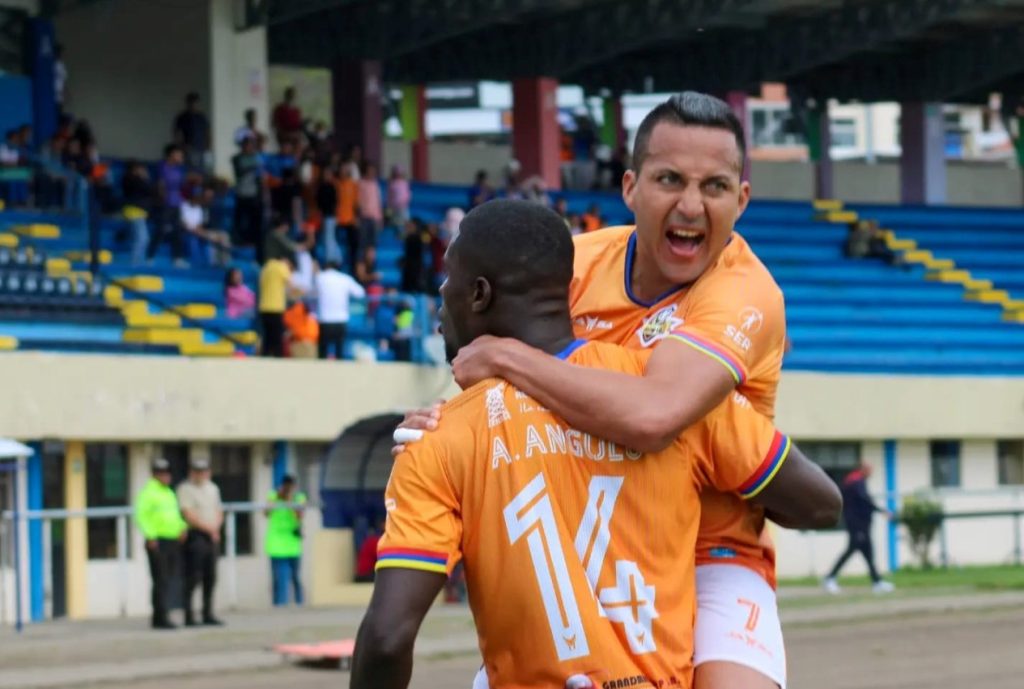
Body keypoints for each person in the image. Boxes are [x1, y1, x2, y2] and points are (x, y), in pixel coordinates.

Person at [351, 201, 839, 689]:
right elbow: (819, 505)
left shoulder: (438, 438)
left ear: (478, 294)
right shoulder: (675, 401)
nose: (439, 295)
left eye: (447, 279)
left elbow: (389, 637)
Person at [407, 92, 793, 689]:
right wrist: (442, 425)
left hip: (712, 554)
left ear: (740, 200)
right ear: (631, 187)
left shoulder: (746, 295)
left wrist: (509, 356)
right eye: (669, 180)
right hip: (587, 543)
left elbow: (654, 416)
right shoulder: (575, 262)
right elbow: (488, 386)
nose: (690, 205)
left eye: (714, 186)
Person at [823, 463, 895, 594]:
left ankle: (877, 582)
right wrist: (882, 511)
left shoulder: (857, 481)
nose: (871, 473)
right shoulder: (855, 481)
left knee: (868, 552)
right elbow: (864, 499)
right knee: (853, 549)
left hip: (862, 523)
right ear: (863, 470)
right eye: (869, 470)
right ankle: (830, 578)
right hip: (857, 524)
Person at [134, 458, 187, 630]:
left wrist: (182, 528)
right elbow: (142, 516)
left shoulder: (169, 493)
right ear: (155, 475)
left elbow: (174, 515)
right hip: (157, 541)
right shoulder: (148, 493)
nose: (166, 477)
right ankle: (160, 617)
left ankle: (163, 615)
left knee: (169, 579)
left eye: (167, 474)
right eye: (162, 474)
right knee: (160, 579)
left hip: (172, 539)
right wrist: (151, 536)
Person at [176, 457, 225, 627]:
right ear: (192, 473)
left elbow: (219, 510)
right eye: (197, 471)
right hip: (195, 536)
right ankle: (189, 615)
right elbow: (188, 514)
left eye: (203, 471)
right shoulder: (185, 489)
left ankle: (208, 613)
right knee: (193, 577)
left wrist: (216, 528)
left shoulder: (213, 488)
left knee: (210, 576)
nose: (201, 475)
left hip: (212, 536)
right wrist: (210, 529)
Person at [265, 475, 307, 606]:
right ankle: (279, 604)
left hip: (292, 544)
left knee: (295, 576)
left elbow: (300, 516)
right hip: (276, 544)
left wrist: (289, 501)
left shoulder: (298, 497)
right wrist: (277, 498)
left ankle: (299, 603)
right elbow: (266, 513)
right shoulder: (273, 495)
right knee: (278, 578)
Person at [315, 260, 365, 360]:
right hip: (341, 320)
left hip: (325, 320)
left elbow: (311, 292)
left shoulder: (320, 277)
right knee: (339, 352)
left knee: (322, 352)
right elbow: (360, 293)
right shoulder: (345, 279)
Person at [232, 134, 267, 263]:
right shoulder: (237, 158)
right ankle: (238, 246)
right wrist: (254, 166)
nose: (248, 147)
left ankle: (257, 255)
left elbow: (261, 178)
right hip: (242, 195)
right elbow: (239, 171)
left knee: (256, 226)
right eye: (246, 145)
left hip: (254, 196)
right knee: (240, 223)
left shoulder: (257, 159)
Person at [258, 255, 295, 358]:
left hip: (264, 306)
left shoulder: (265, 267)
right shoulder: (281, 267)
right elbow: (291, 285)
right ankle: (278, 357)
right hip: (276, 307)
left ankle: (264, 356)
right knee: (277, 337)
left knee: (267, 336)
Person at [172, 92, 210, 171]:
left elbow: (207, 132)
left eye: (195, 102)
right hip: (188, 149)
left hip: (201, 148)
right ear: (187, 103)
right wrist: (181, 146)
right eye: (191, 102)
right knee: (189, 170)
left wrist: (208, 146)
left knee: (203, 170)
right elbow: (177, 133)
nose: (193, 104)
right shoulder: (182, 117)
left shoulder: (201, 117)